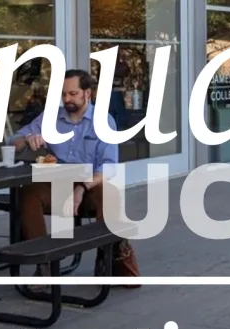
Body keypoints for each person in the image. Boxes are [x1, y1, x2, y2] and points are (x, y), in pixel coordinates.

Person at [11, 69, 139, 281]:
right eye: (63, 94)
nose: (66, 99)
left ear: (87, 94)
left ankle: (105, 257)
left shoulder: (104, 121)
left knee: (110, 195)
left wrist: (81, 188)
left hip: (89, 185)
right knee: (29, 194)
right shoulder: (50, 117)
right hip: (57, 183)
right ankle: (44, 266)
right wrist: (27, 140)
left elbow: (109, 167)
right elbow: (12, 142)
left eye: (72, 93)